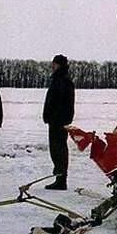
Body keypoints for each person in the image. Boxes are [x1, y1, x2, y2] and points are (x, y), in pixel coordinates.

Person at [42, 54, 75, 190]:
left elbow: (63, 103)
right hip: (55, 121)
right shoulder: (58, 79)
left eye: (54, 64)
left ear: (59, 65)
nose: (52, 66)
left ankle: (61, 180)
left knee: (59, 149)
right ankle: (59, 177)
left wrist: (58, 118)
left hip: (59, 122)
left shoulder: (63, 81)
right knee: (55, 149)